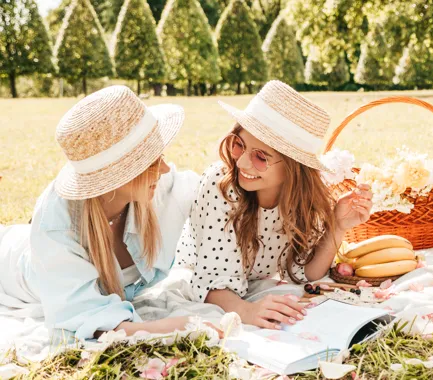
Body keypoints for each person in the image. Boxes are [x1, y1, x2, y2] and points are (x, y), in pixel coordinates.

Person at [0, 85, 204, 341]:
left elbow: (214, 191)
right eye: (151, 162)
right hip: (10, 263)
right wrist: (176, 326)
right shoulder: (56, 227)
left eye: (160, 156)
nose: (164, 169)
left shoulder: (162, 187)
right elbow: (86, 317)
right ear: (117, 176)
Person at [177, 80, 373, 329]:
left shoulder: (304, 199)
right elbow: (210, 283)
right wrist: (246, 310)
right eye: (239, 145)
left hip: (251, 281)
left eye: (260, 157)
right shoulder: (220, 185)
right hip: (199, 275)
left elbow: (305, 272)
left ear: (294, 167)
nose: (242, 164)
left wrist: (338, 226)